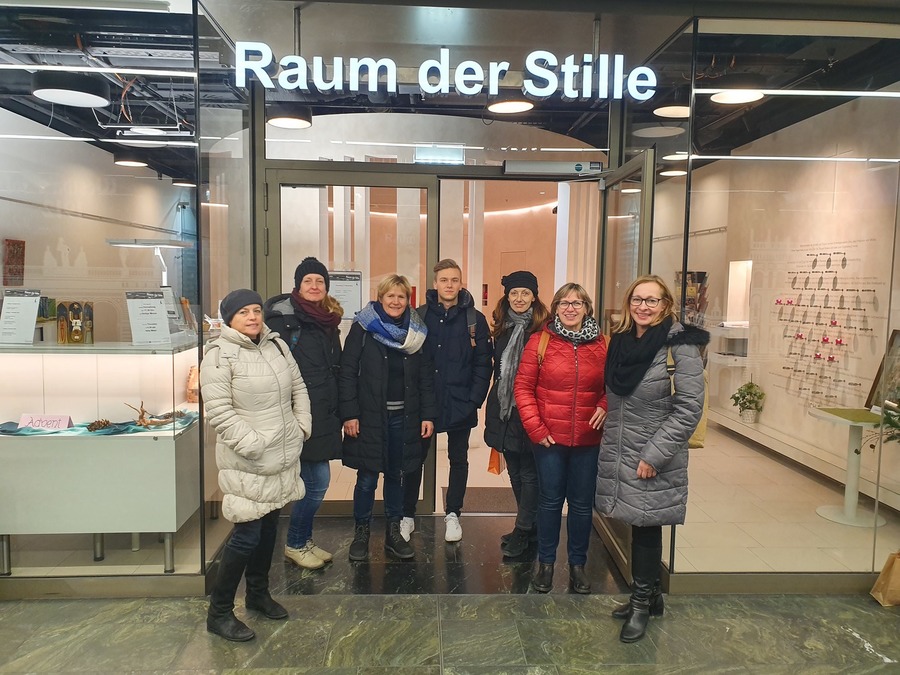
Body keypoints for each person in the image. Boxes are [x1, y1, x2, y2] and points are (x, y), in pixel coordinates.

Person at [596, 274, 707, 643]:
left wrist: (654, 455)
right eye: (637, 299)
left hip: (653, 452)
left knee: (646, 525)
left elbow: (689, 409)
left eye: (651, 300)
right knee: (638, 521)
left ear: (665, 305)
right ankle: (651, 598)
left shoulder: (680, 345)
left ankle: (641, 603)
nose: (643, 307)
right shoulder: (623, 340)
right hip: (621, 446)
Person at [200, 288, 311, 642]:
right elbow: (219, 411)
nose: (252, 317)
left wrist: (301, 427)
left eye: (256, 310)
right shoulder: (219, 355)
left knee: (268, 528)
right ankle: (219, 612)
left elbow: (298, 387)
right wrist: (253, 446)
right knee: (246, 534)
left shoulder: (275, 345)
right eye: (243, 312)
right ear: (229, 319)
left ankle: (258, 594)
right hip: (248, 460)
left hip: (281, 455)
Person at [514, 283, 607, 594]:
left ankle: (578, 565)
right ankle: (546, 564)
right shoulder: (540, 341)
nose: (570, 308)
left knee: (581, 505)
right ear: (554, 309)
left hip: (588, 439)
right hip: (549, 441)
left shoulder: (602, 344)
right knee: (550, 501)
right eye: (564, 303)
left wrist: (605, 405)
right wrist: (536, 429)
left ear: (587, 308)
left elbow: (614, 386)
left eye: (577, 303)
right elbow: (522, 388)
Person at [339, 274, 436, 561]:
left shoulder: (416, 332)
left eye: (401, 296)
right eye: (390, 296)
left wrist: (427, 415)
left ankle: (394, 533)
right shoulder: (363, 328)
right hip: (369, 417)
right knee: (367, 478)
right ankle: (362, 533)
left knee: (397, 475)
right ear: (380, 298)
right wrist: (349, 414)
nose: (395, 301)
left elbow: (425, 377)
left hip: (404, 418)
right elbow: (347, 372)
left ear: (408, 300)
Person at [401, 258, 492, 543]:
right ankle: (407, 514)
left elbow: (483, 363)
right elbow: (409, 359)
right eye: (444, 280)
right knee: (414, 459)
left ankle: (453, 513)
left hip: (460, 401)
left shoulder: (475, 319)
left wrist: (474, 400)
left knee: (458, 459)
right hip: (424, 403)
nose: (449, 285)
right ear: (435, 284)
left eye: (454, 280)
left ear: (460, 283)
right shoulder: (419, 315)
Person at [264, 257, 343, 570]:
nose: (314, 286)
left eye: (320, 281)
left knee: (313, 482)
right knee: (317, 482)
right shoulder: (283, 320)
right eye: (308, 281)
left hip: (323, 410)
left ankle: (304, 540)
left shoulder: (327, 319)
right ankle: (295, 543)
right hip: (298, 413)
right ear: (298, 285)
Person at [483, 270, 550, 557]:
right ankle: (528, 526)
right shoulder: (503, 327)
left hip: (532, 409)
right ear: (507, 296)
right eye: (514, 293)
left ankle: (523, 529)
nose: (519, 298)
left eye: (525, 293)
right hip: (504, 408)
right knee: (514, 471)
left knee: (529, 472)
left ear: (534, 297)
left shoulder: (544, 331)